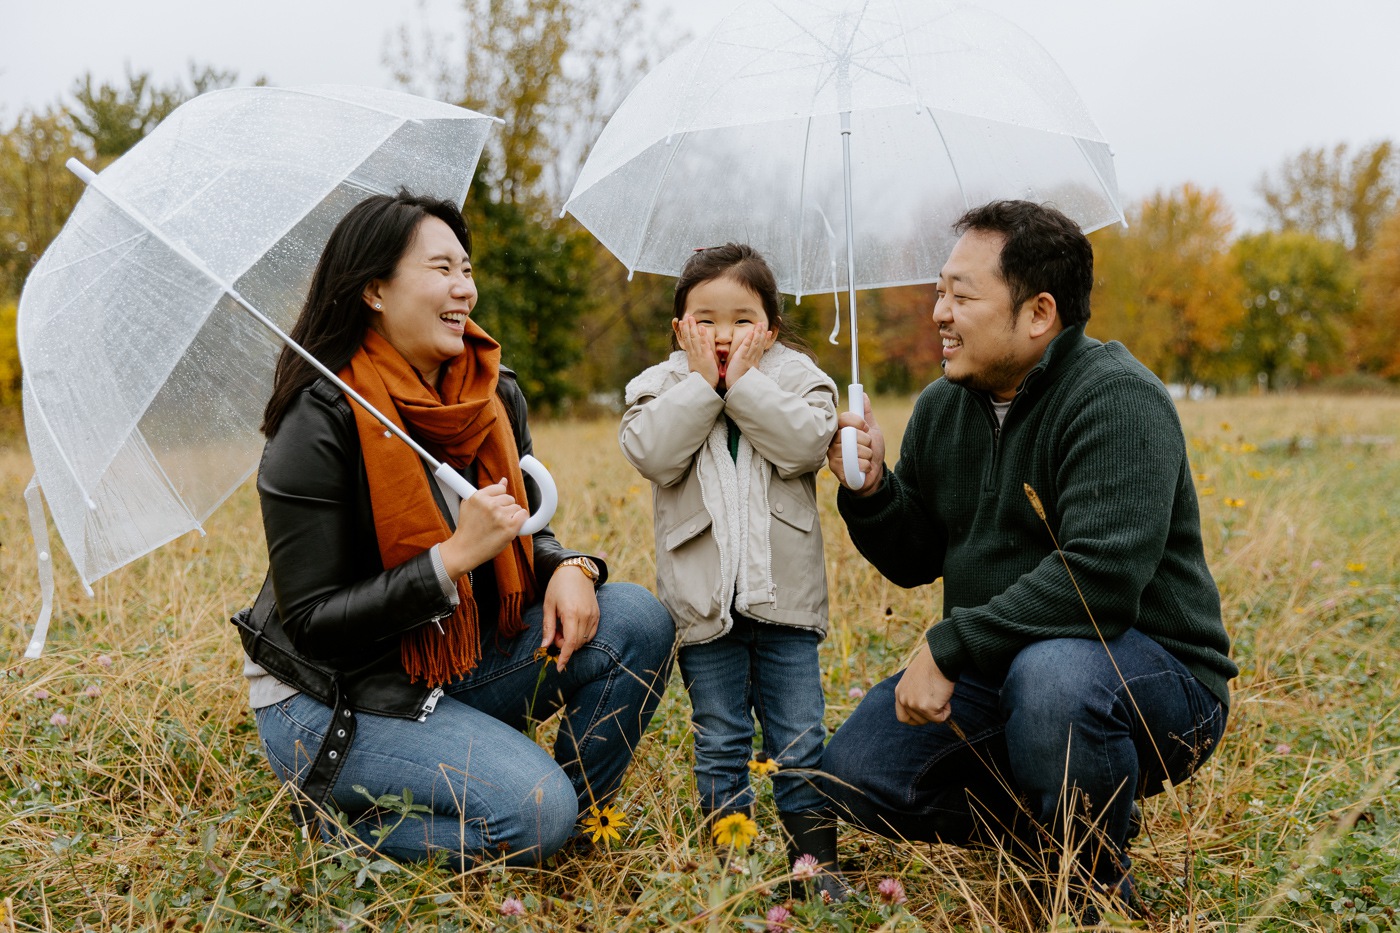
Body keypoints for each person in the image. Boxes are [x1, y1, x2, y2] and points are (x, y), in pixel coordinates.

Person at [232, 191, 674, 868]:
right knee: (532, 809)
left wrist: (566, 567)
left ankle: (568, 832)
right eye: (442, 269)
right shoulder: (317, 421)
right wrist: (448, 560)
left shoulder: (490, 395)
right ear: (375, 289)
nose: (464, 289)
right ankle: (345, 833)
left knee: (635, 619)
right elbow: (316, 622)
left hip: (449, 658)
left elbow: (517, 532)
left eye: (466, 269)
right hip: (332, 697)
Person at [821, 200, 1236, 919]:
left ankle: (1092, 887)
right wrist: (873, 490)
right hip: (1005, 673)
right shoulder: (942, 406)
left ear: (1039, 312)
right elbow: (918, 555)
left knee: (1054, 680)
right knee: (856, 772)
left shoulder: (1116, 397)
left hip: (1152, 674)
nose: (939, 313)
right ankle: (1057, 823)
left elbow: (1100, 582)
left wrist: (951, 643)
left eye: (961, 294)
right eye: (938, 291)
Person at [619, 244, 846, 897]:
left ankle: (814, 864)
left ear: (770, 327)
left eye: (742, 318)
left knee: (799, 735)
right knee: (719, 737)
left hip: (786, 606)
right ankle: (731, 868)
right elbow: (654, 452)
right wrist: (701, 384)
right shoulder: (661, 385)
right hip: (704, 606)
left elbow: (804, 442)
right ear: (678, 327)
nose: (723, 334)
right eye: (705, 318)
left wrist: (741, 384)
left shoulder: (797, 377)